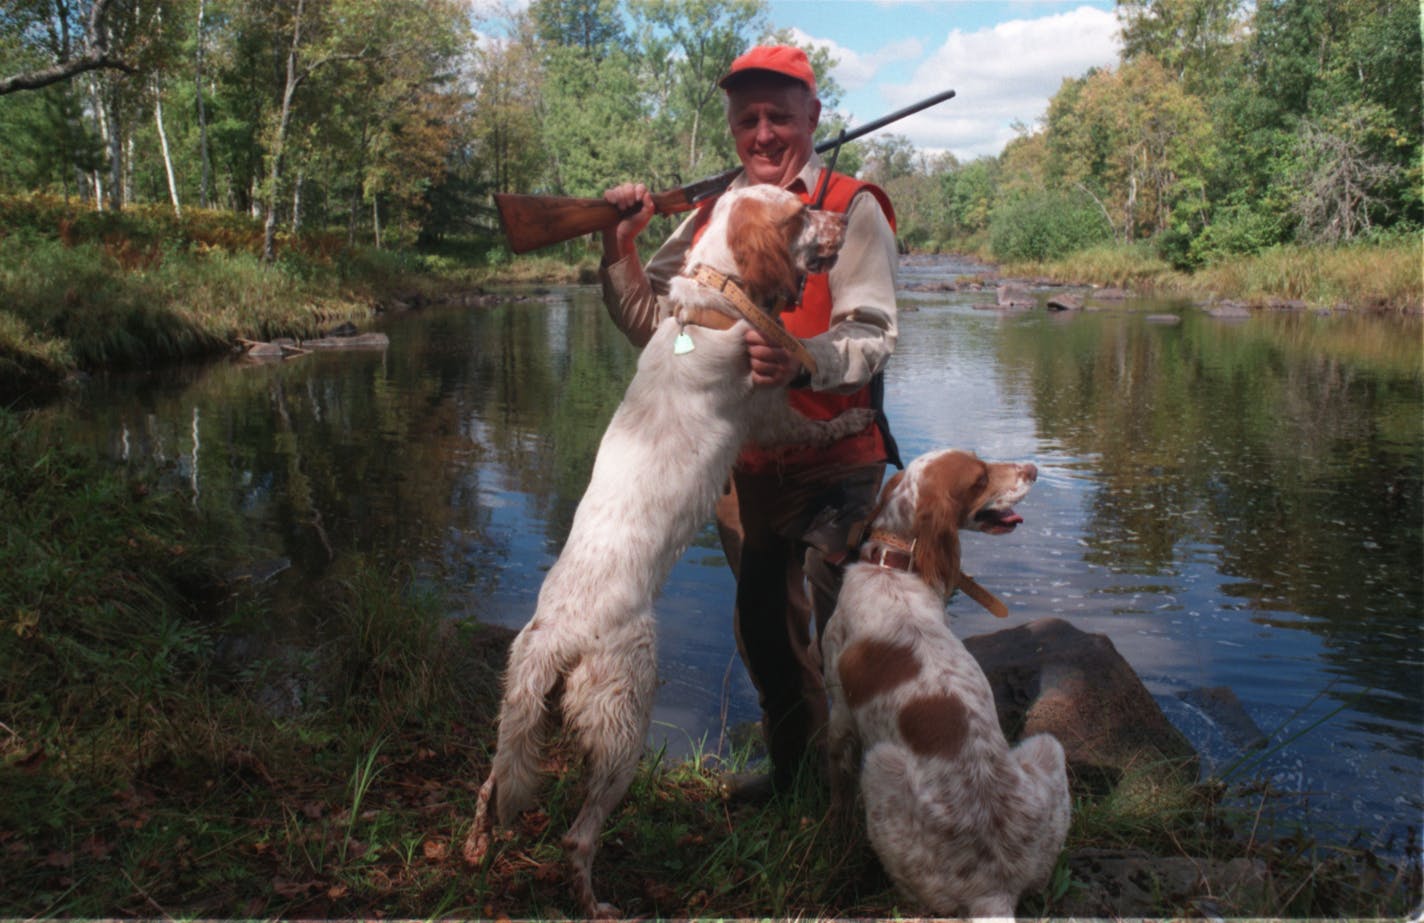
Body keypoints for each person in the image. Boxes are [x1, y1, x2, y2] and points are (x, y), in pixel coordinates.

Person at [599, 44, 901, 798]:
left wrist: (801, 359)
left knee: (853, 640)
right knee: (766, 636)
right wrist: (620, 247)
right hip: (747, 468)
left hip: (839, 458)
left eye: (778, 116)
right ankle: (797, 780)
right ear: (733, 127)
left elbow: (873, 330)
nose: (763, 134)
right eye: (747, 120)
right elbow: (662, 325)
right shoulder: (712, 214)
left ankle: (869, 801)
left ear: (813, 116)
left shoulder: (851, 206)